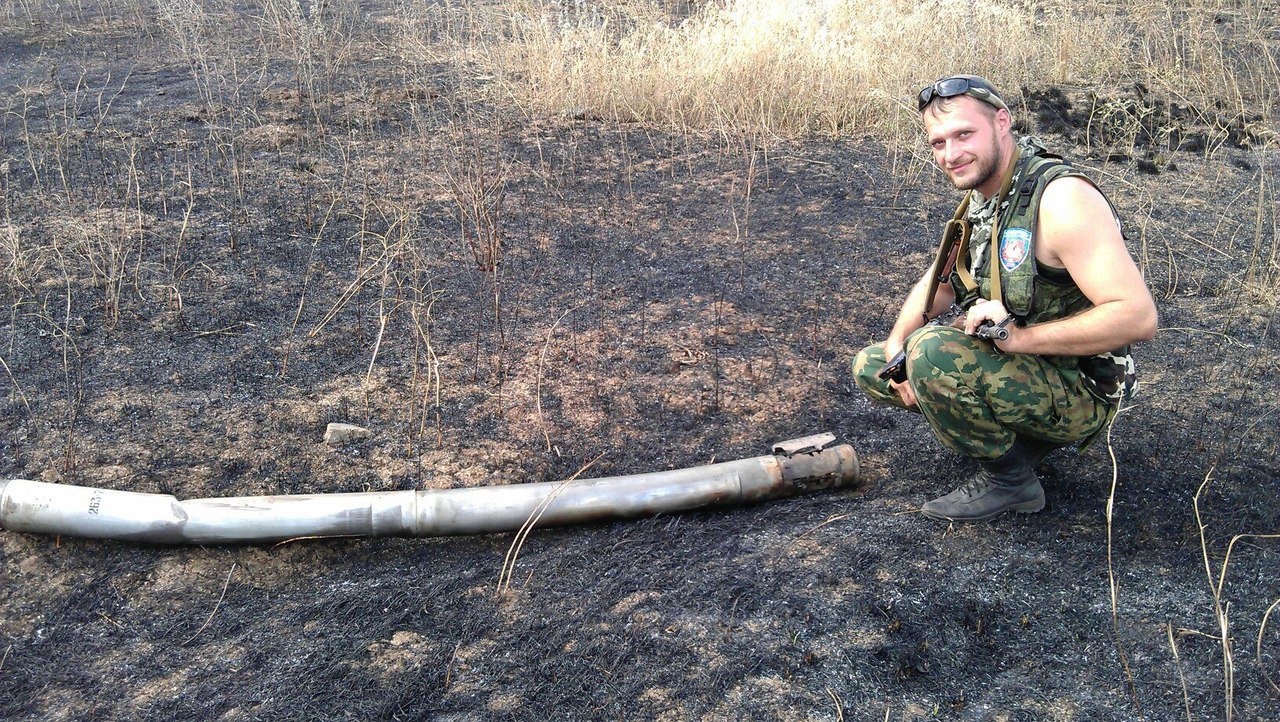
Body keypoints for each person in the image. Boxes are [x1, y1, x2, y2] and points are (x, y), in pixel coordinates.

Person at [852, 75, 1157, 522]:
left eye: (964, 134)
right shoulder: (987, 196)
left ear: (1001, 122)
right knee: (873, 364)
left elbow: (1137, 317)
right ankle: (1014, 439)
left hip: (1079, 386)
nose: (950, 154)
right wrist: (897, 347)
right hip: (1025, 366)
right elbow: (940, 281)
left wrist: (1018, 339)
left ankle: (1010, 480)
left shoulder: (1060, 199)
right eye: (938, 143)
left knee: (932, 352)